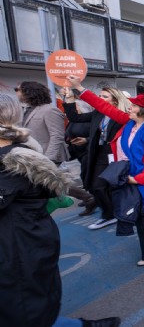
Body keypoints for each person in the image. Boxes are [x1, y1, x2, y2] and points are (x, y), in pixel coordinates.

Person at [0, 93, 120, 327]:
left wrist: (79, 92)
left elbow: (63, 131)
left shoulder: (14, 161)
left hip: (20, 247)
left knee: (28, 311)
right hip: (22, 243)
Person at [67, 76, 144, 268]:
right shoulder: (128, 122)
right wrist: (78, 88)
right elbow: (104, 107)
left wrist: (139, 179)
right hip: (126, 177)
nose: (129, 107)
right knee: (141, 216)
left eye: (133, 106)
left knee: (143, 217)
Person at [16, 82, 98, 217]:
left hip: (48, 154)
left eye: (17, 89)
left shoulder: (50, 110)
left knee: (52, 180)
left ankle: (85, 199)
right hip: (34, 154)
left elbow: (57, 136)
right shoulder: (27, 109)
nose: (16, 92)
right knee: (53, 180)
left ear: (29, 91)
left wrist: (49, 158)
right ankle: (88, 198)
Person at [63, 86, 131, 222]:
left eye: (105, 97)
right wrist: (69, 98)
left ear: (115, 101)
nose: (100, 99)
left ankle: (121, 211)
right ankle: (109, 214)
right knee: (96, 186)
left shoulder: (121, 115)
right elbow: (75, 117)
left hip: (116, 154)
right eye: (99, 96)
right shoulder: (98, 113)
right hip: (99, 153)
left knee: (117, 186)